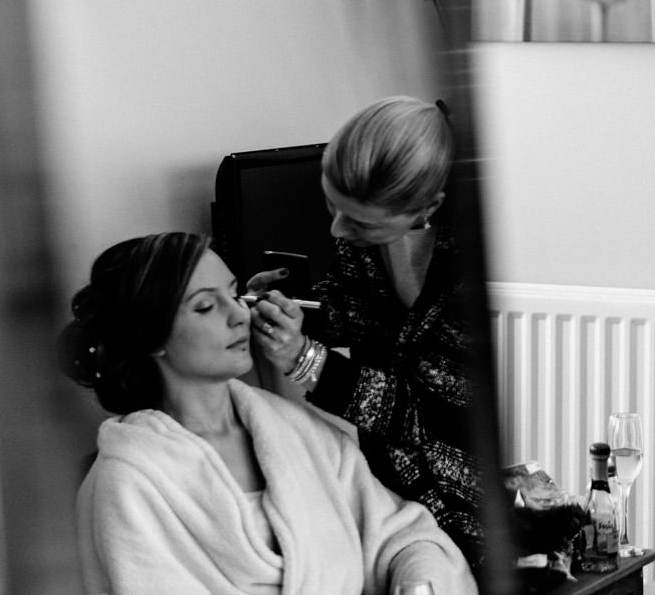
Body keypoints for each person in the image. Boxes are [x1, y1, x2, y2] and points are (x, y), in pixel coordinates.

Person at [59, 231, 476, 595]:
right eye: (206, 307)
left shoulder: (297, 431)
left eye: (235, 292)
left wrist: (418, 582)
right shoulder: (129, 482)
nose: (240, 313)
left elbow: (402, 536)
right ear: (150, 338)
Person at [246, 96, 486, 568]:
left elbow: (422, 414)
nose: (338, 230)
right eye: (331, 206)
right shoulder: (361, 237)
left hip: (464, 494)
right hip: (385, 475)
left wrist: (305, 360)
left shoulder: (475, 268)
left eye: (358, 221)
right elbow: (352, 308)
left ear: (428, 207)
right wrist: (289, 306)